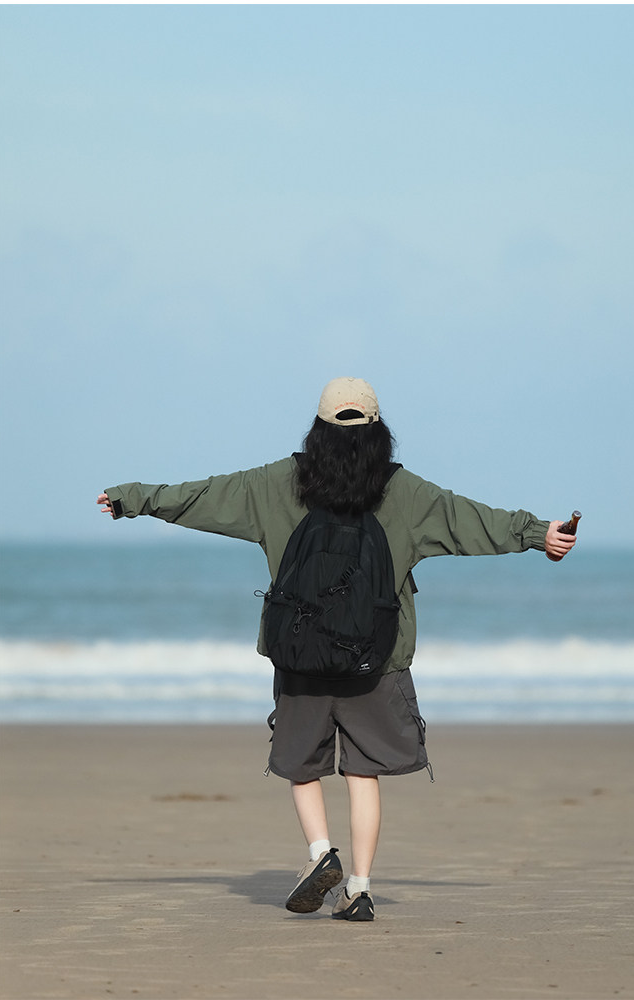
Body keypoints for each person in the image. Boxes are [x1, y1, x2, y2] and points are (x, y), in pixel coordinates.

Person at [97, 376, 576, 922]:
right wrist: (538, 533)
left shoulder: (278, 484)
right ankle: (359, 889)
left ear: (318, 430)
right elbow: (471, 520)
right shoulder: (405, 493)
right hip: (376, 659)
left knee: (302, 765)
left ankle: (320, 851)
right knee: (363, 773)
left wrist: (133, 499)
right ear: (378, 432)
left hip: (301, 654)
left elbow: (203, 497)